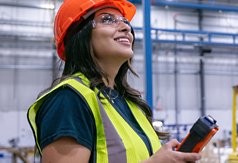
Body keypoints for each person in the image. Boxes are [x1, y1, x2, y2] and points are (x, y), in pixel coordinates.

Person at [27, 0, 201, 162]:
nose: (125, 27)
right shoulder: (68, 99)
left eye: (125, 20)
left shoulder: (130, 104)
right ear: (80, 35)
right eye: (108, 19)